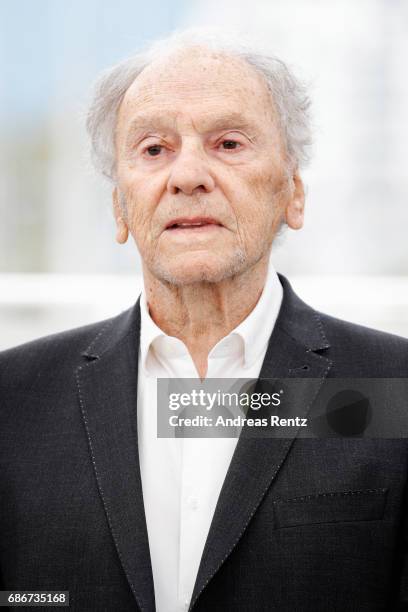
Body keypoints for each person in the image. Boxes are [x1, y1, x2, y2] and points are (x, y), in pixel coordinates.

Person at [0, 29, 407, 612]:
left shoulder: (395, 390)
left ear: (292, 192)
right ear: (120, 206)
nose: (187, 175)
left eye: (229, 143)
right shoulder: (13, 399)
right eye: (154, 149)